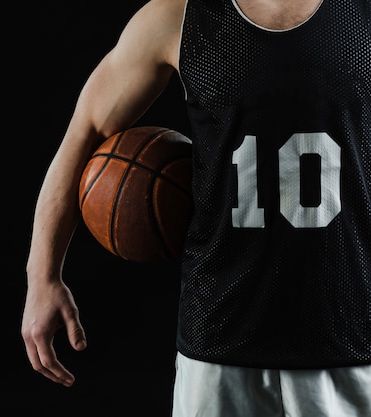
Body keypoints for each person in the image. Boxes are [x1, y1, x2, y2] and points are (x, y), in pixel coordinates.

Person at [22, 0, 371, 415]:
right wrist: (41, 277)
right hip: (218, 338)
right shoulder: (179, 15)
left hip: (352, 336)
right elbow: (87, 130)